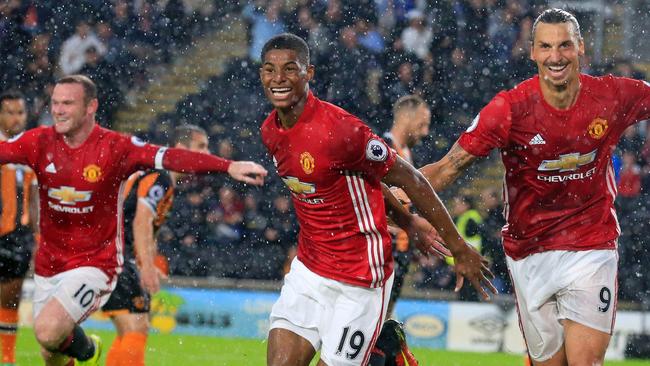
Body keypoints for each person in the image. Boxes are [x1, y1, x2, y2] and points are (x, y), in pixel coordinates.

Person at [417, 8, 650, 366]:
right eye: (546, 46)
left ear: (580, 48)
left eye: (564, 46)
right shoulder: (509, 109)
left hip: (591, 245)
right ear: (533, 52)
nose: (556, 56)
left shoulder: (612, 95)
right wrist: (395, 196)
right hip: (529, 253)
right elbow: (450, 166)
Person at [259, 33, 495, 366]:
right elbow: (356, 184)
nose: (278, 78)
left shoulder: (341, 132)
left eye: (289, 69)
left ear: (309, 73)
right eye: (269, 69)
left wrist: (457, 246)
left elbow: (413, 179)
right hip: (310, 273)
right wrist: (408, 220)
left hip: (360, 279)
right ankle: (386, 351)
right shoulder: (270, 131)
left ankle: (385, 353)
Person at [0, 74, 268, 366]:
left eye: (67, 103)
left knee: (49, 330)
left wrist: (227, 166)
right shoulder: (38, 141)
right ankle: (77, 350)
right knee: (51, 351)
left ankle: (89, 352)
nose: (58, 110)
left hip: (95, 262)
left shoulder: (116, 147)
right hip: (49, 263)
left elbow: (172, 157)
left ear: (91, 107)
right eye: (55, 103)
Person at [101, 124, 209, 366]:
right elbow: (142, 221)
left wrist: (145, 261)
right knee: (136, 328)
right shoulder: (160, 176)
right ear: (181, 149)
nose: (206, 152)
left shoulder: (159, 174)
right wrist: (147, 267)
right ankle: (85, 351)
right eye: (201, 146)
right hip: (116, 254)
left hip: (113, 253)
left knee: (131, 329)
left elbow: (146, 227)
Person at [381, 94, 431, 318]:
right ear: (407, 120)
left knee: (385, 316)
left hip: (400, 249)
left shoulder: (407, 155)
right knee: (375, 315)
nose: (425, 132)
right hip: (384, 248)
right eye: (422, 124)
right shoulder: (383, 150)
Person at [0, 91, 38, 366]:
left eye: (20, 112)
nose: (16, 118)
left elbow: (35, 198)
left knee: (10, 299)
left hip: (18, 236)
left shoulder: (30, 150)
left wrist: (38, 237)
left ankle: (7, 358)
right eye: (10, 112)